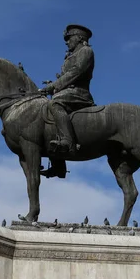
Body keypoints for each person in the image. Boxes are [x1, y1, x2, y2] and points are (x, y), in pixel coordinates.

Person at [39, 24, 95, 178]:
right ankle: (58, 166)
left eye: (69, 38)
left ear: (79, 38)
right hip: (67, 92)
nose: (67, 41)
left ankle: (67, 142)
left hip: (79, 93)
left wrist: (53, 86)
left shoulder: (86, 51)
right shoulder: (69, 56)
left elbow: (75, 73)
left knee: (54, 103)